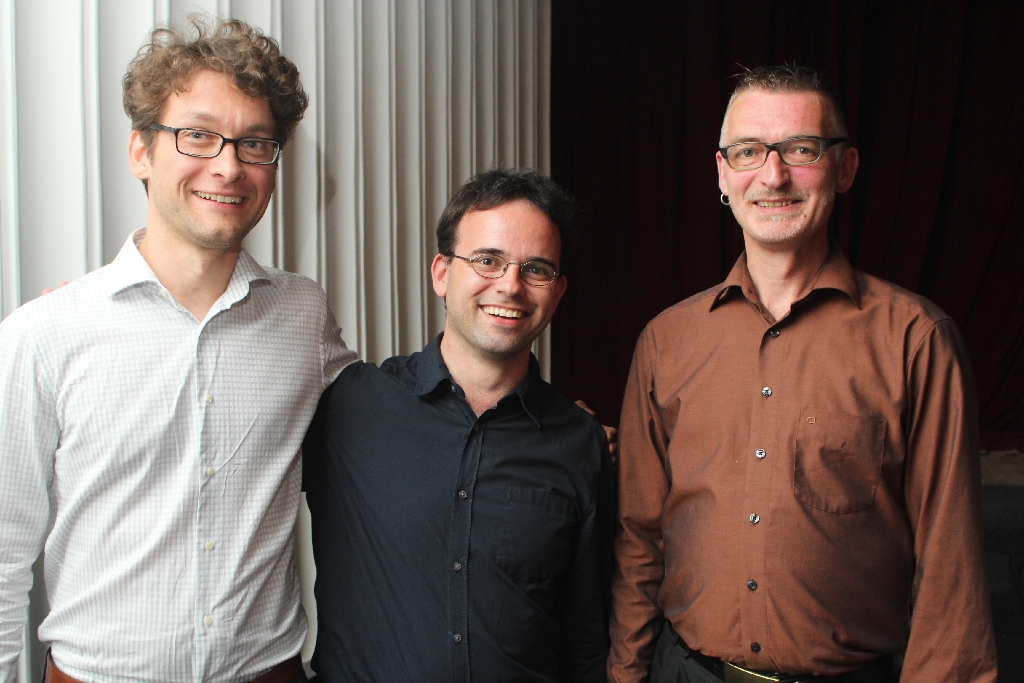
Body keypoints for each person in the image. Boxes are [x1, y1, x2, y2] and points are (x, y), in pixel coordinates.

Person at [608, 65, 997, 683]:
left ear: (844, 169)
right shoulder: (666, 341)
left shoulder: (916, 339)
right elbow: (640, 538)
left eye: (801, 149)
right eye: (748, 151)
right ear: (722, 174)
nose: (773, 175)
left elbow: (950, 568)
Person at [0, 16, 356, 683]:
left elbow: (393, 424)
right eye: (197, 134)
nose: (229, 165)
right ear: (141, 151)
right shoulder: (45, 334)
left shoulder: (304, 316)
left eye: (255, 143)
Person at [302, 168, 615, 683]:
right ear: (442, 273)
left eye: (536, 269)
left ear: (558, 292)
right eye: (487, 260)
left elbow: (585, 638)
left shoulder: (578, 442)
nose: (510, 286)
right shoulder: (350, 405)